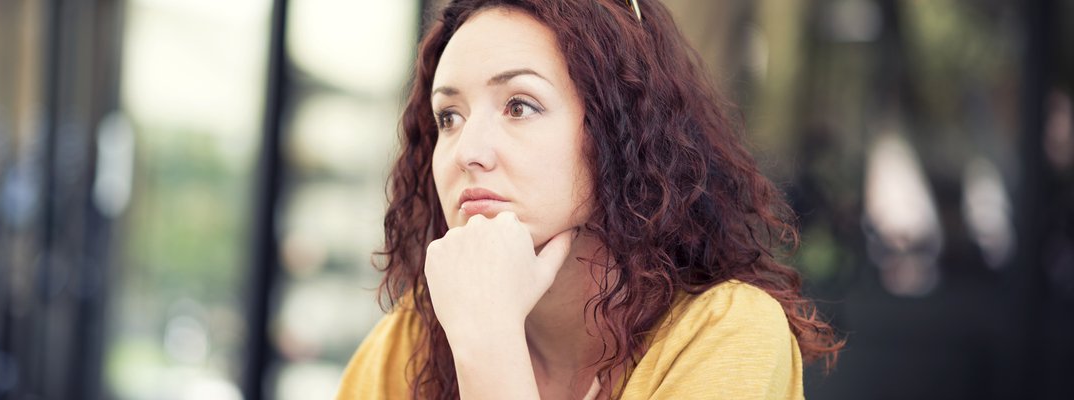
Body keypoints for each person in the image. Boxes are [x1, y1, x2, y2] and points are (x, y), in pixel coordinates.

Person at [338, 0, 843, 398]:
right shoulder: (413, 338)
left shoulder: (727, 333)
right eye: (449, 116)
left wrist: (490, 344)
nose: (467, 151)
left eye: (519, 105)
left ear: (618, 131)